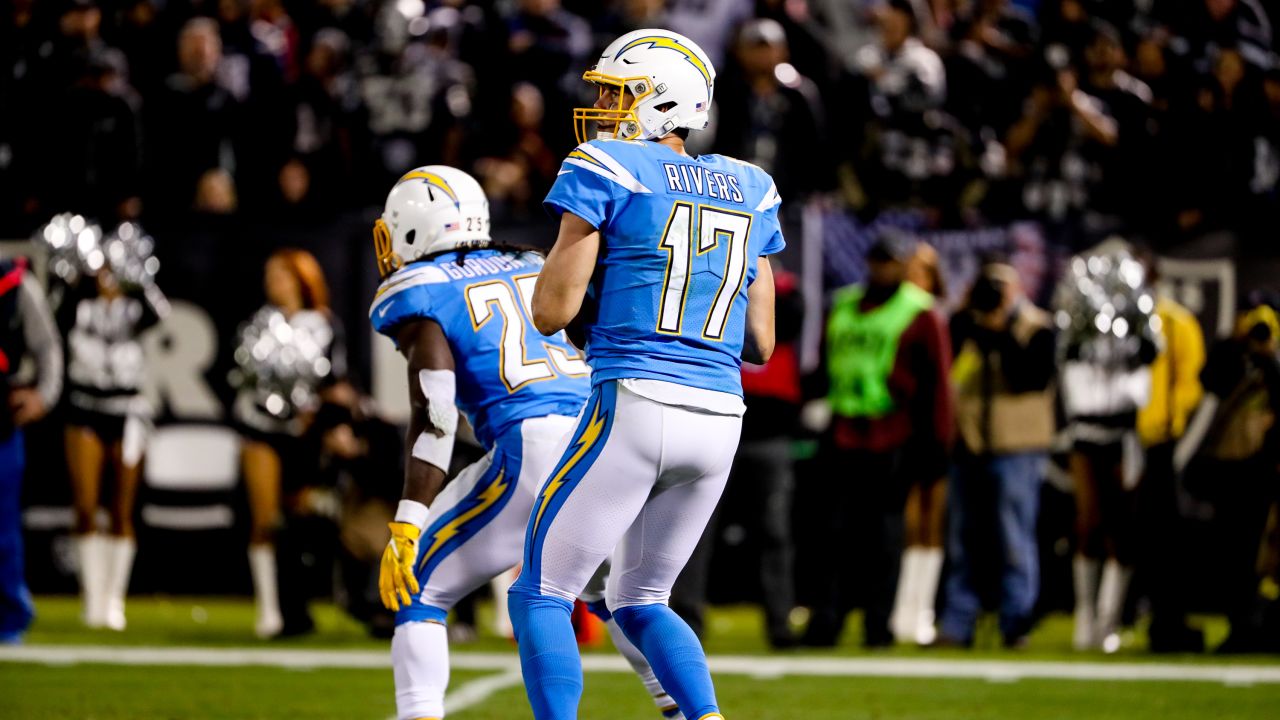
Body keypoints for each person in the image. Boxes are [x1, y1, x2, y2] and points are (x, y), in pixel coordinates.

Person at [506, 28, 781, 720]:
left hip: (635, 397)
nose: (601, 105)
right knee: (640, 599)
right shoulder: (752, 186)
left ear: (664, 101)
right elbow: (762, 341)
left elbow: (549, 311)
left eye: (617, 91)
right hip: (720, 416)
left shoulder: (607, 165)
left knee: (541, 591)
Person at [369, 166, 683, 720]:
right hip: (601, 435)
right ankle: (683, 709)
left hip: (533, 445)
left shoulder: (424, 291)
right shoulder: (532, 262)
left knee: (419, 585)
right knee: (614, 596)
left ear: (412, 229)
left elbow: (437, 415)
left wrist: (408, 518)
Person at [802, 229, 952, 649]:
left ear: (903, 266)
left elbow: (937, 385)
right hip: (844, 431)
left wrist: (937, 444)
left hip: (893, 436)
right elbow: (824, 365)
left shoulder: (921, 312)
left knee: (883, 540)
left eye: (891, 261)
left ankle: (877, 624)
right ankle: (825, 622)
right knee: (831, 536)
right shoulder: (844, 304)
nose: (883, 268)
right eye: (878, 260)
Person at [937, 258, 1056, 649]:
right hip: (969, 444)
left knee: (1014, 538)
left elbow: (1028, 377)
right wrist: (968, 311)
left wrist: (1000, 327)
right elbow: (948, 356)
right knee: (962, 540)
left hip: (1017, 447)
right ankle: (957, 624)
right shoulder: (966, 323)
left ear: (1015, 291)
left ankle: (1016, 622)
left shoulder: (1038, 326)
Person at [232, 248, 346, 638]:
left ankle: (296, 605)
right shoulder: (260, 323)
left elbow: (336, 382)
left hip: (305, 432)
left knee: (300, 521)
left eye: (280, 275)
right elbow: (240, 373)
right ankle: (268, 609)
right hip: (261, 427)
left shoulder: (324, 325)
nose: (273, 283)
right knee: (265, 520)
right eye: (270, 276)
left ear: (301, 280)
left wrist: (323, 416)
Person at [60, 224, 168, 631]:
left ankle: (114, 600)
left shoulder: (137, 307)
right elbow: (58, 314)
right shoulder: (76, 302)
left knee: (121, 509)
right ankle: (93, 597)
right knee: (87, 506)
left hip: (127, 410)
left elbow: (163, 313)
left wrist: (137, 280)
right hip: (86, 407)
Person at [0, 255, 62, 644]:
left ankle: (9, 616)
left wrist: (44, 395)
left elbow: (47, 346)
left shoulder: (15, 285)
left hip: (1, 417)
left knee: (2, 527)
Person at [890, 243, 950, 646]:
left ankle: (922, 610)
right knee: (909, 522)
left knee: (932, 523)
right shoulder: (900, 316)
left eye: (923, 272)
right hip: (903, 429)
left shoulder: (935, 317)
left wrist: (944, 432)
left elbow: (944, 383)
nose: (916, 279)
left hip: (932, 429)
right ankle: (903, 610)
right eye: (910, 270)